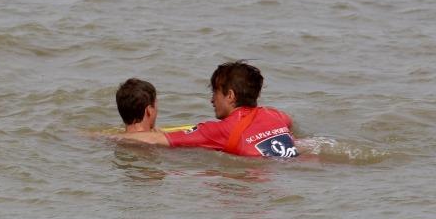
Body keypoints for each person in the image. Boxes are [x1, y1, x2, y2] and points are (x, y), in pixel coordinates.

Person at [113, 61, 298, 158]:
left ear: (230, 96)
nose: (211, 99)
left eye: (215, 92)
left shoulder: (218, 130)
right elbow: (290, 123)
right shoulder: (276, 115)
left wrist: (101, 138)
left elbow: (154, 140)